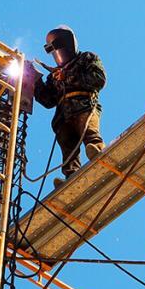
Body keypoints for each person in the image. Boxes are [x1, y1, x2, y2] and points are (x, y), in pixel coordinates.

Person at [32, 25, 106, 188]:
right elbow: (48, 101)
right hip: (63, 117)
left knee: (89, 132)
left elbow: (98, 79)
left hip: (84, 106)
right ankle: (71, 176)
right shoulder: (54, 75)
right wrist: (36, 81)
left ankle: (98, 150)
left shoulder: (86, 58)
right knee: (68, 148)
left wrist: (69, 76)